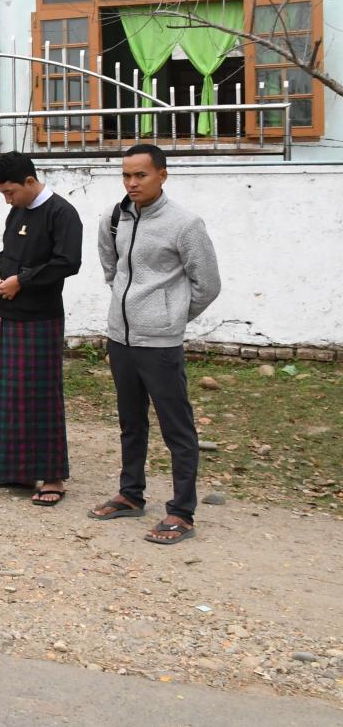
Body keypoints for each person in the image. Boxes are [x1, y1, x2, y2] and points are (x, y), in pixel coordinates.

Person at [89, 144, 221, 545]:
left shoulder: (185, 224)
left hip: (160, 344)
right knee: (131, 421)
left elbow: (207, 284)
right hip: (120, 339)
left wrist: (170, 316)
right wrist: (127, 309)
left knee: (176, 427)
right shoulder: (114, 218)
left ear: (162, 175)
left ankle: (182, 512)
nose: (132, 183)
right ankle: (131, 494)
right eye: (126, 175)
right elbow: (112, 269)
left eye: (141, 175)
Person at [0, 152, 83, 506]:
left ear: (29, 181)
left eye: (10, 192)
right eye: (3, 194)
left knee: (42, 398)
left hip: (41, 317)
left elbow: (67, 263)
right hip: (12, 314)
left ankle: (53, 476)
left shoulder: (61, 212)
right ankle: (16, 470)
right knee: (11, 397)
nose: (7, 200)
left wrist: (22, 281)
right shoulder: (18, 211)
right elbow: (9, 252)